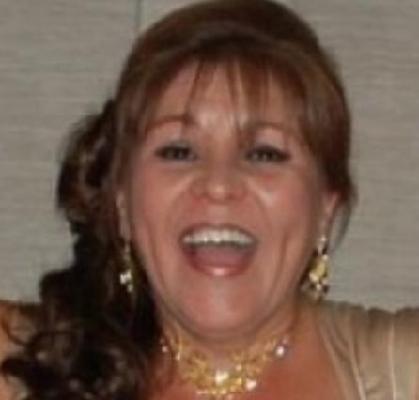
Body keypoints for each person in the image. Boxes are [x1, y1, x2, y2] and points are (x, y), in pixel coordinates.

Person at [1, 0, 418, 399]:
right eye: (178, 151)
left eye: (264, 154)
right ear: (122, 201)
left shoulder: (401, 368)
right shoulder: (25, 365)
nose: (219, 184)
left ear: (326, 206)